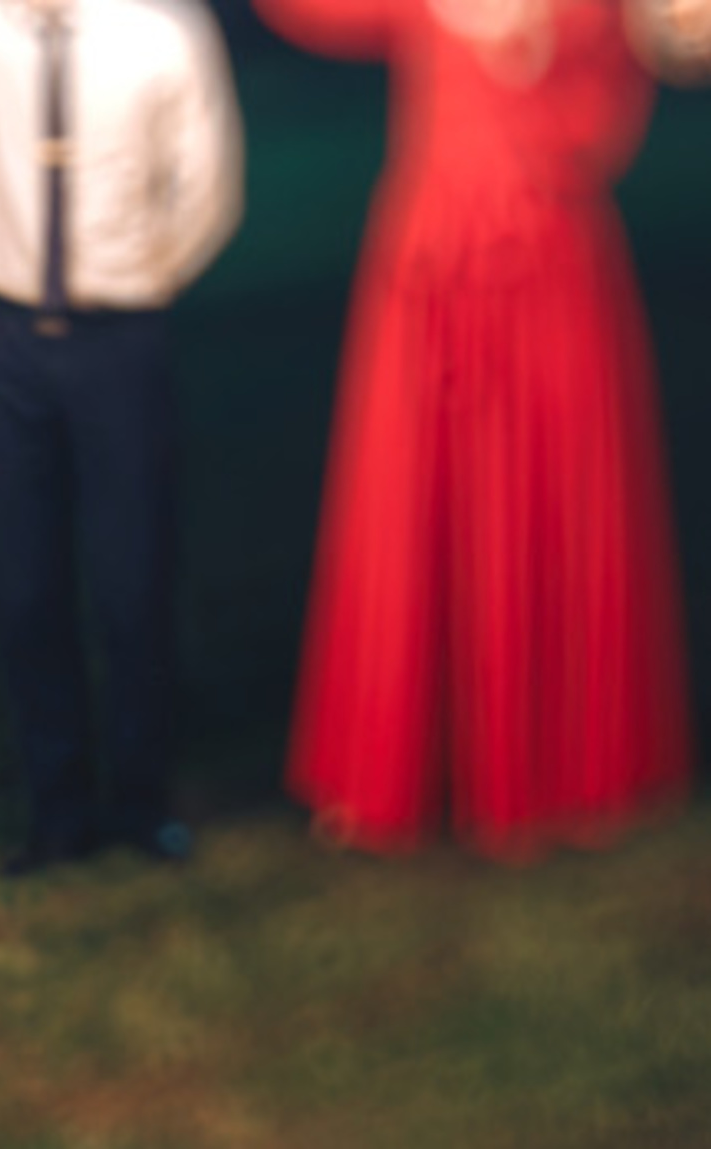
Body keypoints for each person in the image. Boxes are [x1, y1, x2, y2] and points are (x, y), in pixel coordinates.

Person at [261, 0, 693, 859]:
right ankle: (393, 767)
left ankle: (559, 770)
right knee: (408, 511)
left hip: (554, 269)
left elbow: (662, 49)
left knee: (559, 499)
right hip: (433, 268)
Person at [0, 0, 242, 874]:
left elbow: (210, 186)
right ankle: (58, 809)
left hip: (120, 336)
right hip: (8, 344)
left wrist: (138, 279)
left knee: (132, 574)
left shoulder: (162, 33)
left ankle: (143, 801)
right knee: (27, 583)